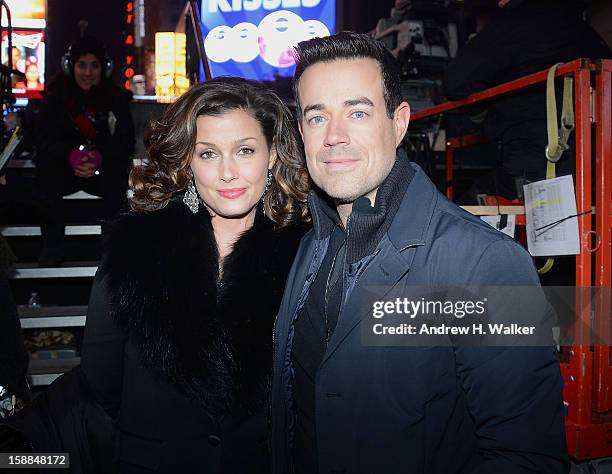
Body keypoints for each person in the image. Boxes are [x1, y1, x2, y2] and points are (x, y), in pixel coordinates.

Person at [271, 32, 568, 474]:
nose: (334, 135)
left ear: (399, 122)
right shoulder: (307, 246)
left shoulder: (484, 262)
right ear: (301, 131)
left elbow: (529, 460)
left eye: (357, 112)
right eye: (317, 118)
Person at [78, 77, 309, 473]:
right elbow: (101, 378)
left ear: (271, 156)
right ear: (187, 159)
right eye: (208, 154)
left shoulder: (306, 255)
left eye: (245, 150)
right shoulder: (135, 250)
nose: (228, 172)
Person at [444, 0, 612, 201]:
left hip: (534, 168)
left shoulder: (514, 23)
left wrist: (483, 114)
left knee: (460, 210)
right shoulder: (583, 31)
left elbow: (455, 83)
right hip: (595, 171)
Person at [35, 36, 135, 266]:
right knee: (46, 172)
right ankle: (52, 245)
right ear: (71, 66)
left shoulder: (117, 98)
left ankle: (112, 252)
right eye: (82, 65)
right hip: (65, 169)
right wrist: (71, 156)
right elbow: (44, 140)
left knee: (118, 173)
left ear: (104, 68)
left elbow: (125, 141)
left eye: (94, 65)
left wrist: (99, 157)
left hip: (103, 169)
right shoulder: (54, 98)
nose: (88, 72)